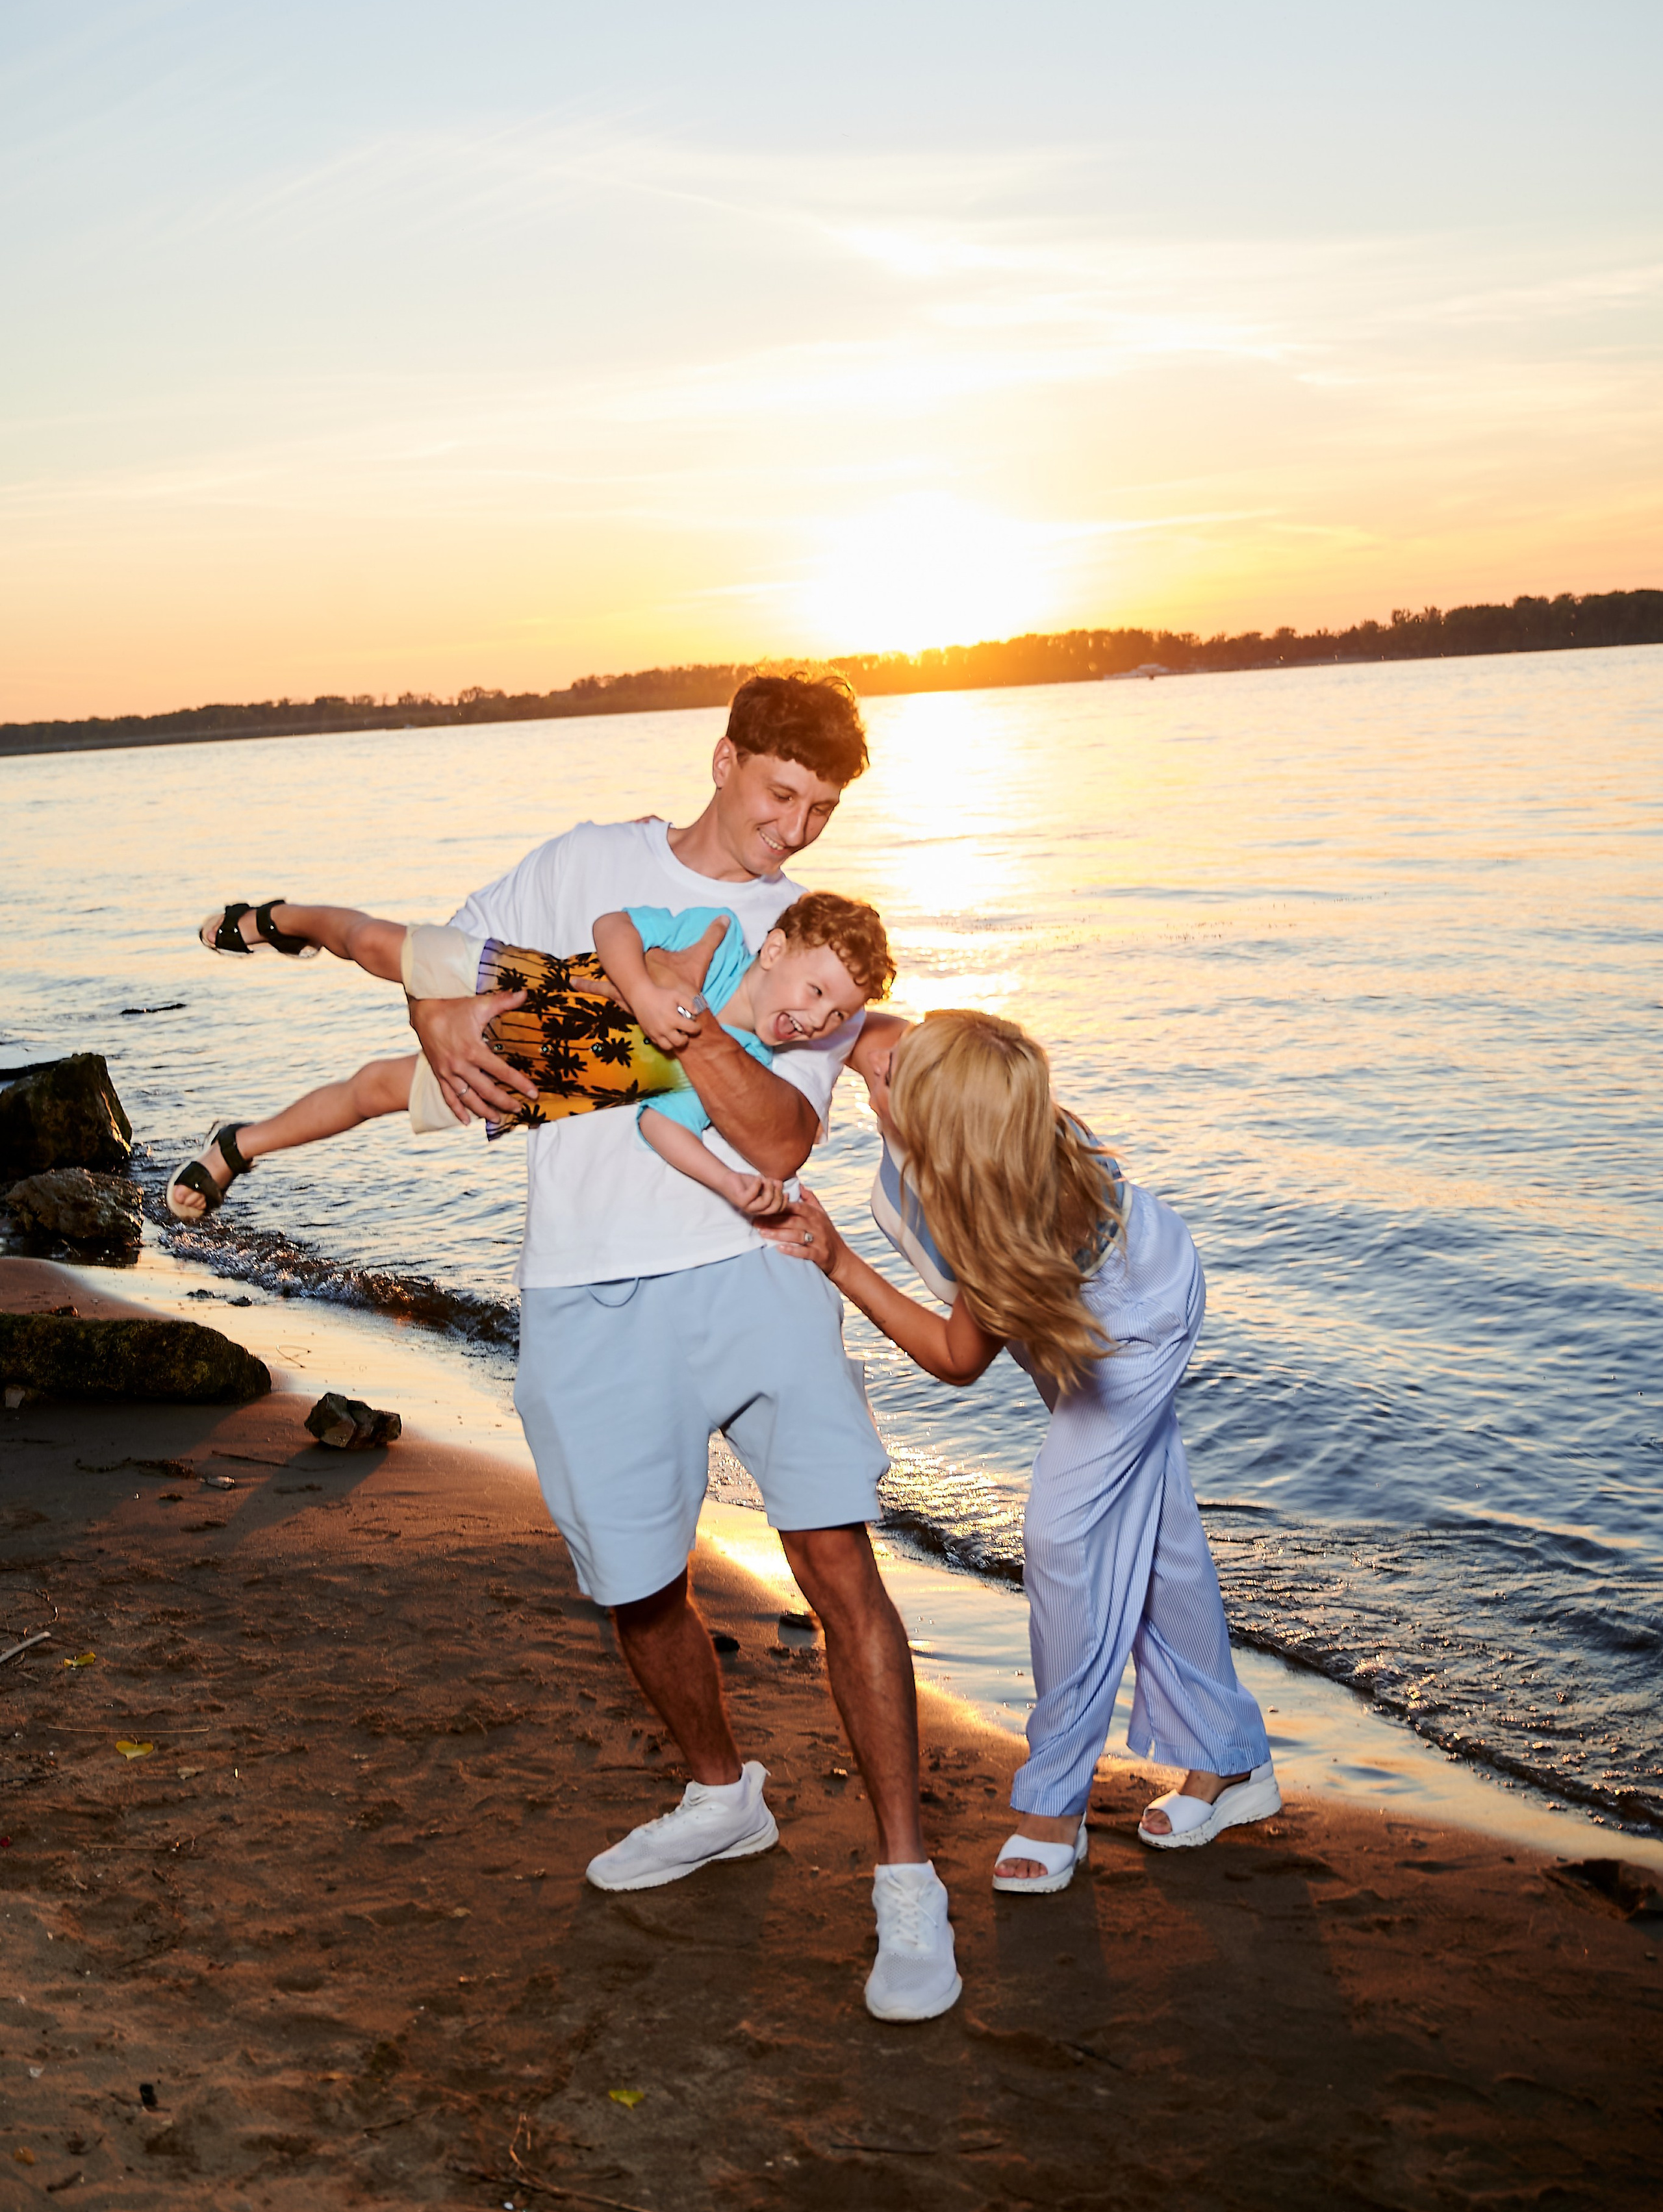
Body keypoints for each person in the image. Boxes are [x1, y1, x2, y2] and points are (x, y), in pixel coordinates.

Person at [395, 673, 960, 2022]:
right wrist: (440, 1024)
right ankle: (721, 1796)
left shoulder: (810, 944)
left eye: (823, 809)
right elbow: (440, 967)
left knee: (835, 1558)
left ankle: (904, 1882)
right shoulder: (583, 861)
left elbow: (775, 1139)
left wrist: (677, 1015)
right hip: (585, 1286)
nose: (797, 829)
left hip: (749, 1275)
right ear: (724, 760)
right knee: (635, 1585)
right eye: (781, 796)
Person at [781, 1007, 1279, 1892]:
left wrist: (839, 1260)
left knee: (1062, 1545)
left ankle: (1055, 1801)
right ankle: (1232, 1759)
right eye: (893, 1057)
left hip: (1134, 1335)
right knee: (1157, 1542)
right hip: (1095, 1306)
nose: (879, 1066)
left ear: (942, 1124)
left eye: (896, 1073)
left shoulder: (1003, 1213)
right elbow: (857, 1021)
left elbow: (955, 1356)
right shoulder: (960, 1078)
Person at [168, 889, 895, 1226]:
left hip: (526, 1080)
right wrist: (642, 989)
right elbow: (612, 924)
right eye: (816, 989)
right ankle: (284, 919)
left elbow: (659, 1128)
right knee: (375, 946)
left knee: (372, 1092)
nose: (816, 1019)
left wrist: (731, 1183)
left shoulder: (731, 1068)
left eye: (836, 1015)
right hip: (517, 981)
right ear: (774, 950)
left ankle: (238, 1144)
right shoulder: (716, 936)